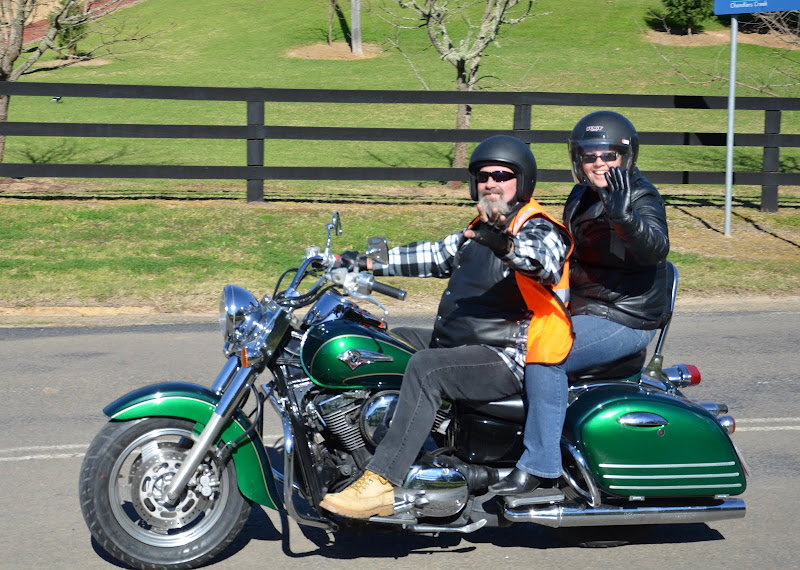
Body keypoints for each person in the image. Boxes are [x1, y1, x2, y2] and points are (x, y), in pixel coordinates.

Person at [319, 135, 574, 519]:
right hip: (464, 343)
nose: (490, 183)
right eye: (483, 175)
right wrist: (359, 262)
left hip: (506, 355)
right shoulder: (477, 229)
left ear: (521, 182)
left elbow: (541, 261)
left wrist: (505, 246)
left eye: (501, 175)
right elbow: (431, 254)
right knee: (384, 341)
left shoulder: (538, 228)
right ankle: (364, 445)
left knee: (427, 367)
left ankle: (382, 482)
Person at [488, 110, 671, 496]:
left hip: (624, 317)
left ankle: (540, 464)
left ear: (626, 157)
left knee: (546, 356)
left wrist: (626, 218)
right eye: (590, 156)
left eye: (609, 156)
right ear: (579, 160)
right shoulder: (582, 194)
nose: (599, 163)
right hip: (584, 308)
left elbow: (655, 247)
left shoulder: (640, 196)